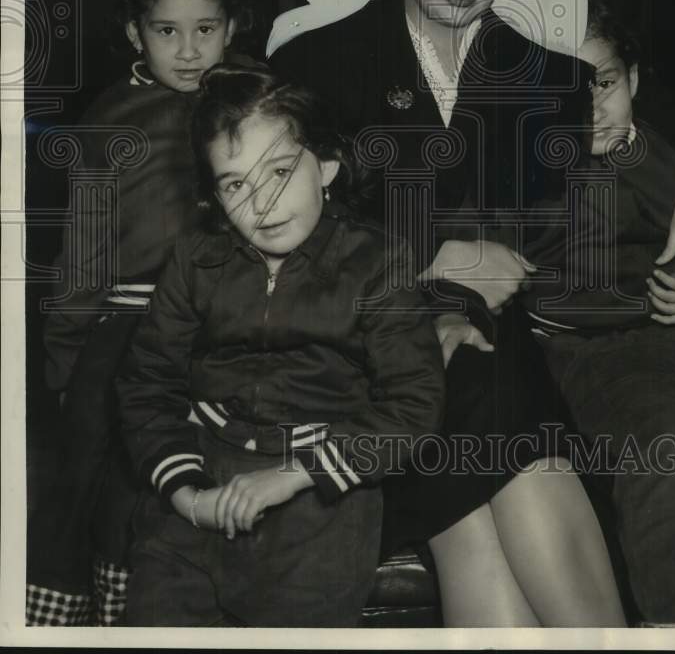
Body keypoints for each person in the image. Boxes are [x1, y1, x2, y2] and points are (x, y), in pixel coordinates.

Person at [271, 0, 675, 626]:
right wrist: (430, 260)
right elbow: (278, 223)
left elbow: (674, 113)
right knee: (489, 405)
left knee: (481, 493)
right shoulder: (313, 64)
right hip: (361, 336)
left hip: (491, 339)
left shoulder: (545, 78)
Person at [116, 64, 446, 627]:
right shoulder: (196, 260)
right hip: (204, 472)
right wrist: (187, 494)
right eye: (235, 184)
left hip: (319, 492)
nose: (261, 204)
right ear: (214, 197)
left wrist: (293, 475)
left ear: (328, 167)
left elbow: (413, 408)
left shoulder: (376, 265)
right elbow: (146, 384)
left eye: (279, 171)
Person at [522, 0, 675, 626]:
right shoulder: (542, 166)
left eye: (604, 82)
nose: (592, 105)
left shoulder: (664, 152)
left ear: (631, 80)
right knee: (673, 453)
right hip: (597, 350)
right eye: (566, 89)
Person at [26, 0, 243, 626]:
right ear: (133, 34)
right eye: (166, 31)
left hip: (227, 321)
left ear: (230, 28)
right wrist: (66, 361)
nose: (188, 49)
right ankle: (111, 613)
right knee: (100, 472)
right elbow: (82, 259)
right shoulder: (108, 124)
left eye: (205, 29)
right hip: (126, 323)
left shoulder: (251, 108)